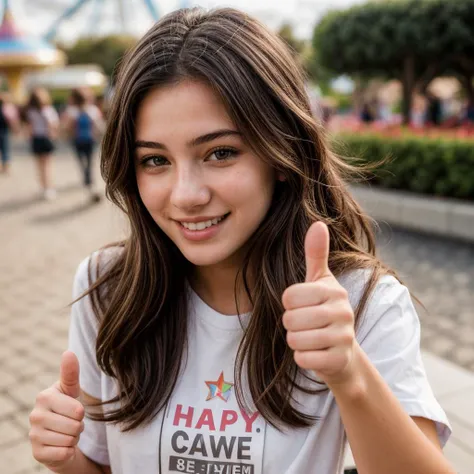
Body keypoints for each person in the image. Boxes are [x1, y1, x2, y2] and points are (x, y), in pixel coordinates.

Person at [28, 7, 455, 474]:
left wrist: (349, 374)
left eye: (221, 153)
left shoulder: (357, 303)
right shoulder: (108, 288)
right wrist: (68, 458)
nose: (186, 195)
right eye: (155, 161)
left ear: (280, 152)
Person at [63, 88, 104, 203]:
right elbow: (99, 126)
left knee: (81, 162)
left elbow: (68, 127)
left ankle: (87, 181)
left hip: (77, 141)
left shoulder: (71, 111)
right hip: (90, 140)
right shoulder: (92, 110)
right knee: (90, 162)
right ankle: (89, 181)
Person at [25, 88, 59, 200]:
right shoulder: (48, 110)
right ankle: (49, 187)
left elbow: (30, 128)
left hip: (36, 139)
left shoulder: (30, 112)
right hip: (45, 138)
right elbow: (53, 125)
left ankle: (43, 186)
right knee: (47, 165)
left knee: (39, 165)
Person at [0, 92, 20, 174]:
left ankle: (4, 167)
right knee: (5, 149)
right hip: (4, 130)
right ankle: (5, 168)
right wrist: (15, 129)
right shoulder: (8, 108)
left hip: (4, 130)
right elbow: (12, 120)